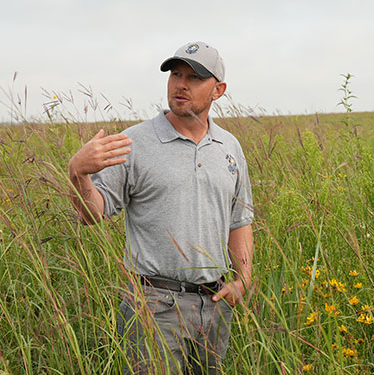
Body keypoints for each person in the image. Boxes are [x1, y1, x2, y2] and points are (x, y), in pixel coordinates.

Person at [67, 41, 254, 374]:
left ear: (218, 90)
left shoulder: (230, 147)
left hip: (215, 304)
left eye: (194, 78)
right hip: (154, 305)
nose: (181, 84)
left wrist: (242, 280)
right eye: (175, 74)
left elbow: (238, 220)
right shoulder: (134, 142)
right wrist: (78, 173)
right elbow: (90, 214)